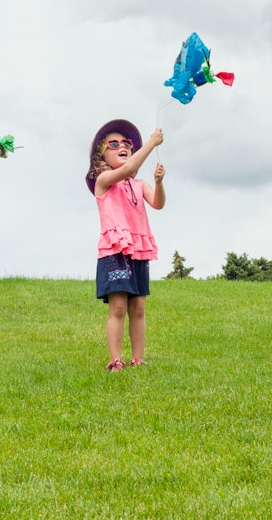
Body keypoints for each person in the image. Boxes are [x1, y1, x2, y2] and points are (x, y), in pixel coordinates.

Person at [86, 119, 166, 371]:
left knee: (138, 307)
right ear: (102, 155)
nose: (123, 146)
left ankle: (138, 358)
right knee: (118, 306)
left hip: (138, 248)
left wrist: (159, 182)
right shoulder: (104, 180)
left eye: (127, 143)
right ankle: (115, 359)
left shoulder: (139, 184)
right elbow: (129, 167)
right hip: (115, 251)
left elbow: (158, 203)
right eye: (113, 143)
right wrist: (151, 143)